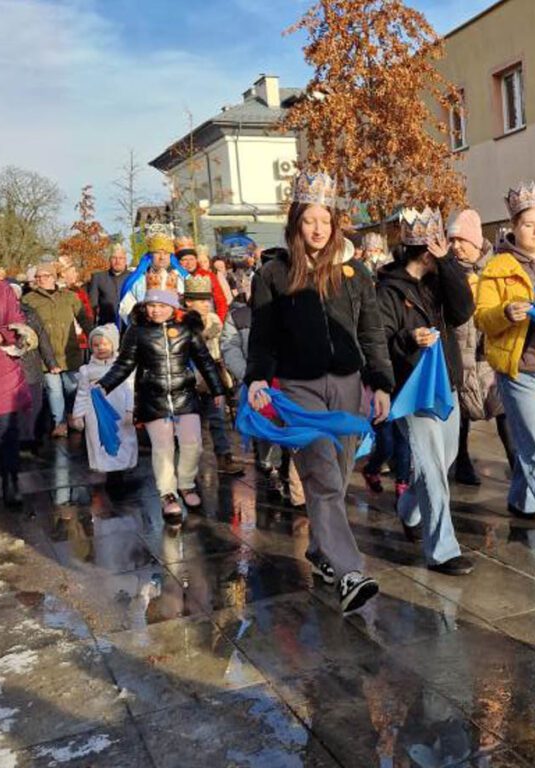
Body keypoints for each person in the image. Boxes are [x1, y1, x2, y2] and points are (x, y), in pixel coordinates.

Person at [246, 170, 393, 613]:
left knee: (339, 473)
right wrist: (256, 377)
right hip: (298, 387)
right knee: (322, 476)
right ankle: (350, 571)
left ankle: (319, 551)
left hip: (348, 386)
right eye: (310, 219)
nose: (317, 228)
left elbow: (372, 332)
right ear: (295, 222)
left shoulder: (354, 273)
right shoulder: (274, 274)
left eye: (325, 221)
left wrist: (381, 383)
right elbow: (263, 335)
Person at [378, 207, 476, 576]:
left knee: (444, 459)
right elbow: (380, 339)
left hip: (444, 385)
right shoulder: (387, 289)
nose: (446, 250)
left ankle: (409, 509)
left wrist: (448, 264)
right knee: (433, 470)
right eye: (439, 247)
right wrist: (409, 339)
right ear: (423, 250)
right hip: (412, 390)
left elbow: (464, 310)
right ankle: (442, 550)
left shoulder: (440, 281)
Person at [475, 182, 535, 550]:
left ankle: (522, 499)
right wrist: (506, 313)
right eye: (528, 223)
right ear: (514, 226)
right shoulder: (498, 267)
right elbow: (482, 318)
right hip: (521, 369)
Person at [97, 288, 224, 524]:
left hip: (185, 396)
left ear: (173, 308)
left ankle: (186, 484)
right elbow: (124, 363)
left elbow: (204, 361)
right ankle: (168, 494)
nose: (156, 310)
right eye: (151, 306)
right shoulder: (137, 332)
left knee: (192, 444)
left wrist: (217, 389)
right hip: (153, 397)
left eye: (162, 306)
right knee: (163, 449)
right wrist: (105, 385)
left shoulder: (187, 329)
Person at [448, 208, 514, 486]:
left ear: (475, 241)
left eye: (460, 240)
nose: (455, 246)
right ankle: (461, 462)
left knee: (504, 412)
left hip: (490, 355)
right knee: (462, 414)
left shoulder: (497, 268)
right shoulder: (447, 271)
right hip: (461, 354)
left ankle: (520, 469)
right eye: (452, 241)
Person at [22, 262, 92, 438]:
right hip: (46, 353)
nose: (41, 280)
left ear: (53, 277)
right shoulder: (29, 299)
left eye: (45, 276)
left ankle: (70, 413)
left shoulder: (69, 296)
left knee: (72, 386)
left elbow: (83, 317)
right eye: (38, 277)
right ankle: (59, 423)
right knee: (54, 389)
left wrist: (94, 335)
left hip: (70, 351)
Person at [184, 274, 241, 476]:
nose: (206, 304)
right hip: (191, 376)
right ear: (188, 301)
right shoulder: (184, 323)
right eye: (200, 300)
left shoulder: (214, 319)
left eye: (207, 299)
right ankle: (190, 462)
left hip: (213, 374)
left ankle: (224, 456)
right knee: (192, 423)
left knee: (218, 418)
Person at [72, 325, 137, 475]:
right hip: (94, 412)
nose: (101, 348)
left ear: (114, 345)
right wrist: (78, 415)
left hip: (120, 410)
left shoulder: (124, 367)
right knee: (98, 438)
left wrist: (130, 409)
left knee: (123, 436)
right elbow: (82, 393)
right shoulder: (87, 370)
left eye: (105, 344)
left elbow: (131, 388)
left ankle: (123, 466)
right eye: (96, 345)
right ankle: (104, 466)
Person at [0, 269, 33, 506]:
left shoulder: (3, 289)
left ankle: (11, 481)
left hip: (1, 368)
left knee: (6, 430)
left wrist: (0, 335)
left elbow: (18, 322)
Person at [6, 283, 56, 448]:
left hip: (29, 365)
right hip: (5, 367)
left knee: (34, 403)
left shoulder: (30, 313)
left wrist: (51, 363)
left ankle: (31, 437)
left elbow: (42, 338)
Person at [118, 233, 186, 322]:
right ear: (150, 255)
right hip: (145, 330)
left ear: (170, 256)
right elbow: (125, 309)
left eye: (166, 253)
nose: (162, 257)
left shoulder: (181, 279)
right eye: (157, 253)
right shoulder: (137, 281)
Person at [176, 238, 229, 321]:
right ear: (179, 262)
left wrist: (219, 321)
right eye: (184, 260)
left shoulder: (208, 275)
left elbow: (220, 301)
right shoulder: (174, 276)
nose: (189, 263)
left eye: (191, 259)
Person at [88, 244, 132, 325]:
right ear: (109, 260)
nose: (117, 261)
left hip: (129, 326)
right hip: (106, 327)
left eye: (120, 258)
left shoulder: (133, 278)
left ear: (125, 260)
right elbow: (92, 306)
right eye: (114, 258)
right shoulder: (98, 278)